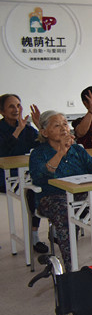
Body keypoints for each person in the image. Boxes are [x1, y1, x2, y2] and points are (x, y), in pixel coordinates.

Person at [29, 111, 92, 271]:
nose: (64, 128)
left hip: (82, 196)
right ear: (44, 132)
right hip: (51, 198)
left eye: (65, 124)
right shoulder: (38, 153)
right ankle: (72, 270)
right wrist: (60, 152)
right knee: (65, 212)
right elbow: (39, 176)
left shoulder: (77, 150)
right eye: (57, 125)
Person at [0, 94, 47, 252]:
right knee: (33, 191)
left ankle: (49, 232)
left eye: (18, 105)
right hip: (6, 177)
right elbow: (3, 152)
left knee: (44, 186)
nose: (16, 109)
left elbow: (43, 145)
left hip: (27, 174)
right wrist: (18, 130)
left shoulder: (27, 128)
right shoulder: (5, 129)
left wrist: (40, 126)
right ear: (2, 111)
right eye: (11, 106)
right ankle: (34, 236)